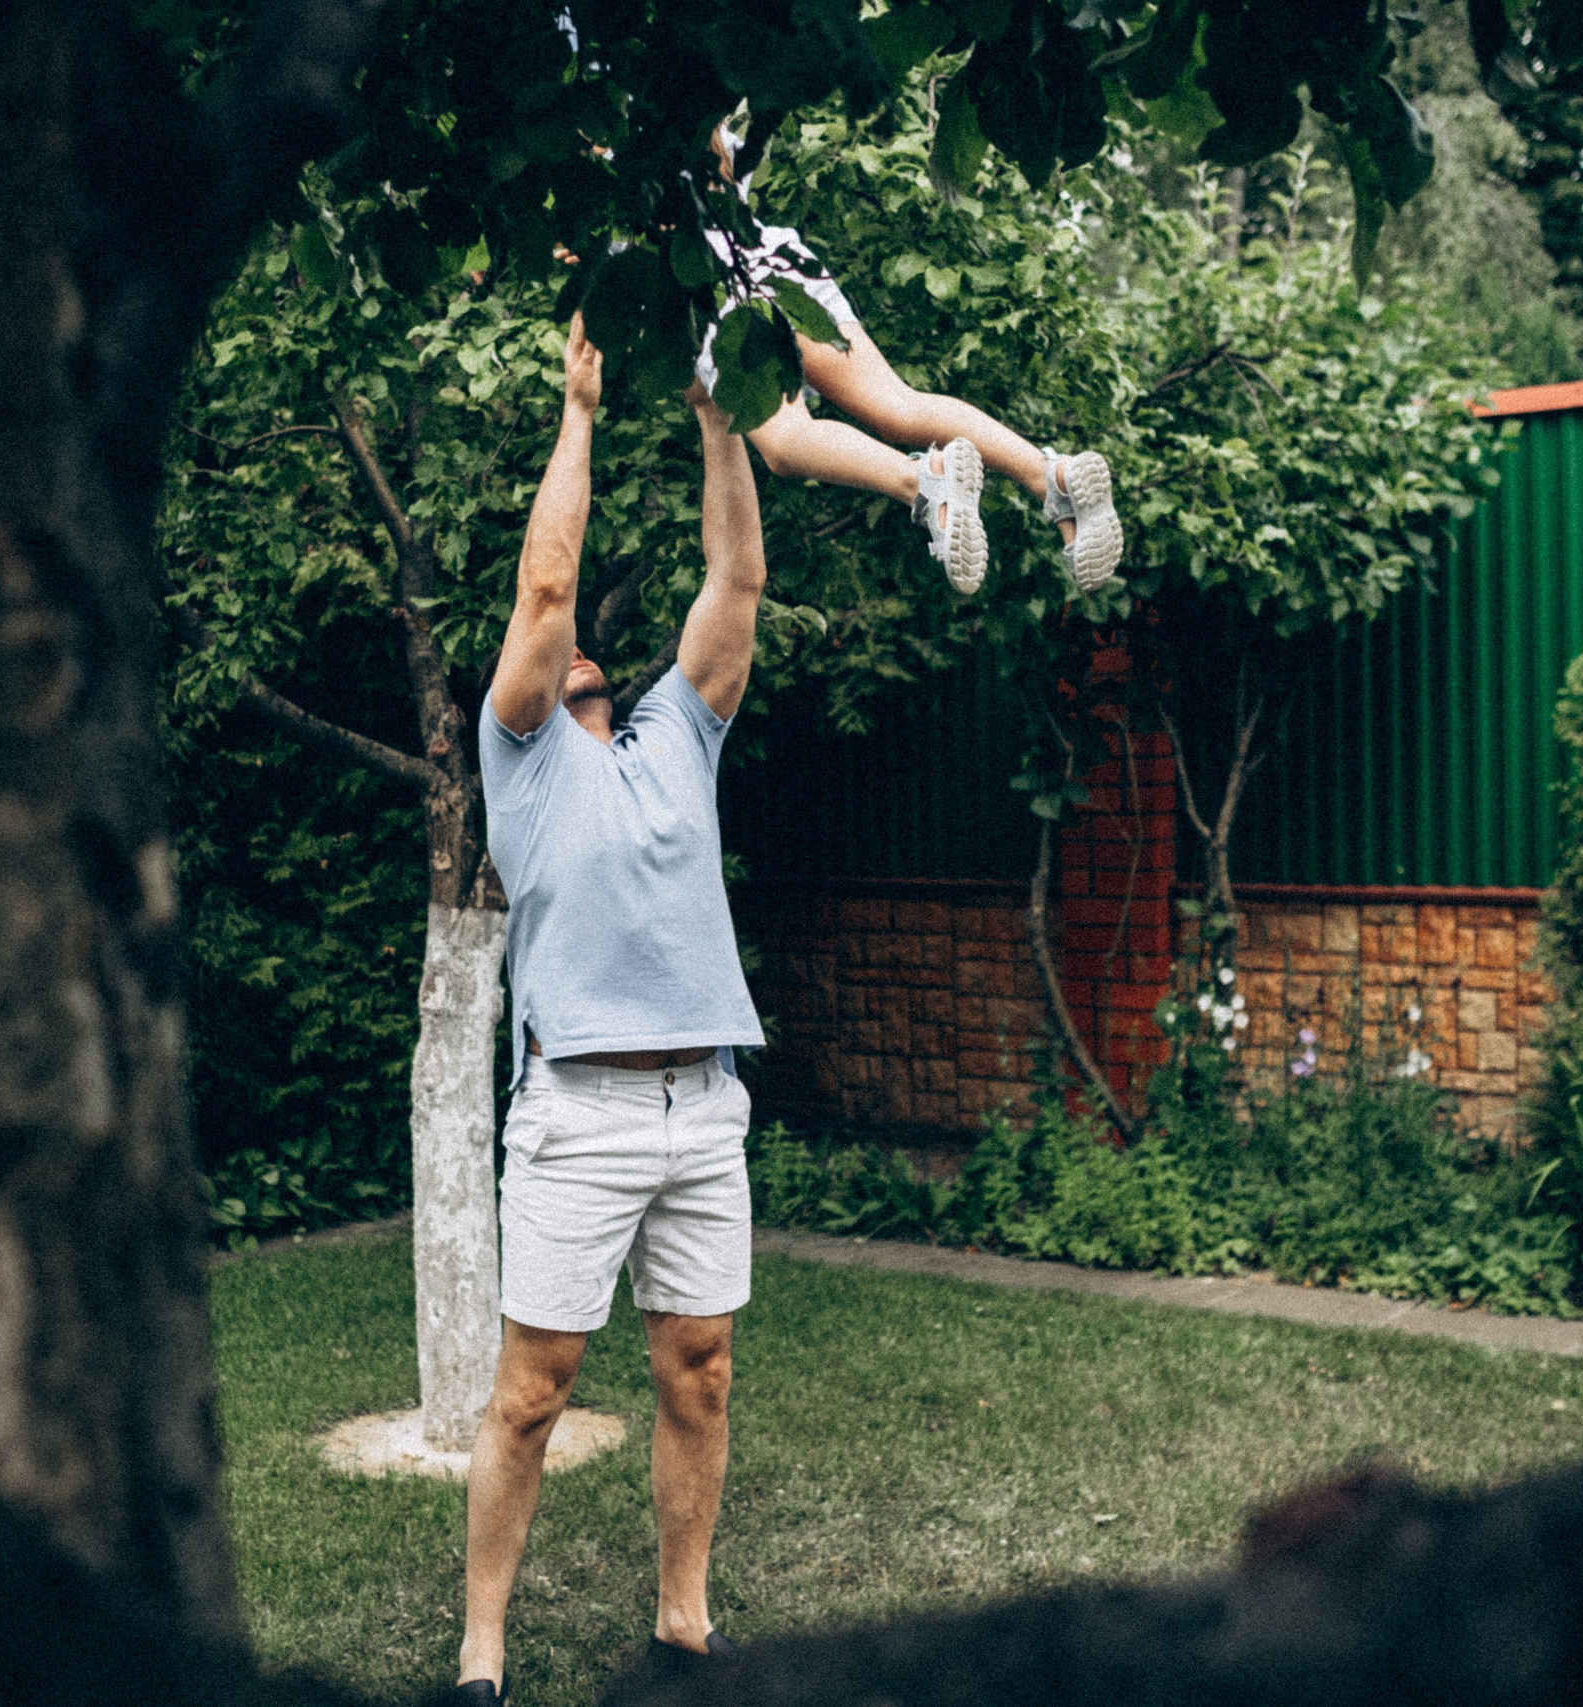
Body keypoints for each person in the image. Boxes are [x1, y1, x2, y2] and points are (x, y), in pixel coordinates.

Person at [454, 315, 768, 1705]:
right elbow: (543, 589)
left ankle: (684, 1624)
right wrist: (577, 410)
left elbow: (737, 576)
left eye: (584, 654)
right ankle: (481, 1656)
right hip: (575, 1105)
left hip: (702, 1102)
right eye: (559, 649)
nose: (569, 653)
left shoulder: (672, 737)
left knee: (696, 1369)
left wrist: (721, 413)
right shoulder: (518, 754)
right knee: (536, 1390)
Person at [693, 122, 1122, 599]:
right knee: (899, 405)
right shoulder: (706, 116)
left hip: (711, 284)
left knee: (787, 439)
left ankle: (921, 479)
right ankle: (1052, 477)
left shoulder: (609, 152)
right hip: (776, 259)